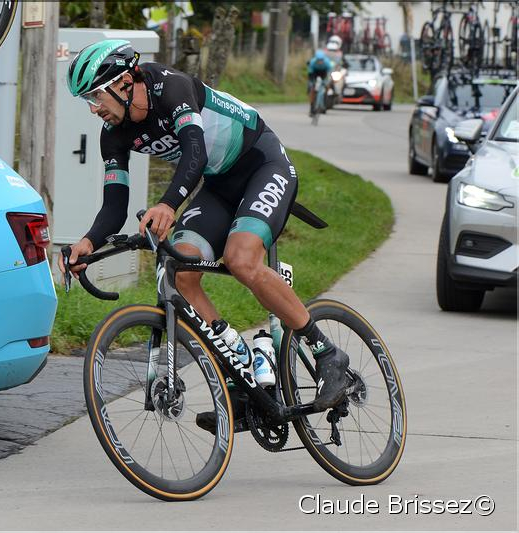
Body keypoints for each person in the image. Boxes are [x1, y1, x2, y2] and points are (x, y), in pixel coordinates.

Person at [59, 39, 350, 421]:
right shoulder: (114, 133)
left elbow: (194, 152)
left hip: (262, 164)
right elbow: (115, 205)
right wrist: (87, 243)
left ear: (126, 82)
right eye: (87, 101)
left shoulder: (170, 87)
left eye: (97, 95)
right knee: (181, 271)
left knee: (241, 260)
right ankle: (239, 370)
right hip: (219, 186)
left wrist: (167, 204)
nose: (95, 109)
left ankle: (327, 352)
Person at [307, 49, 333, 116]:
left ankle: (325, 99)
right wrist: (312, 83)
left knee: (327, 85)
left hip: (324, 73)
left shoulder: (327, 63)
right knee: (312, 87)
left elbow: (329, 73)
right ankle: (312, 107)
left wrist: (326, 82)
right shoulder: (312, 62)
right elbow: (310, 74)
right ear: (316, 59)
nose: (320, 62)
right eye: (318, 60)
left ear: (323, 59)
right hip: (315, 73)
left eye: (321, 60)